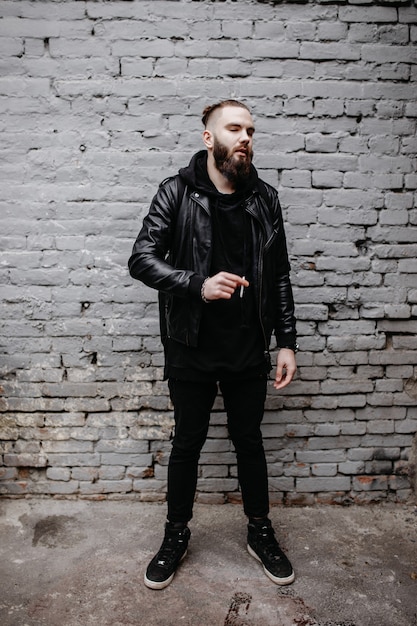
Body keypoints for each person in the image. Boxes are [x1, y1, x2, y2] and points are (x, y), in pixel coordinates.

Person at [128, 99, 298, 590]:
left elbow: (280, 275)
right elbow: (141, 259)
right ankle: (175, 536)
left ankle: (260, 532)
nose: (245, 137)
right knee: (188, 444)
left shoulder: (264, 197)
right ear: (209, 137)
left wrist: (285, 340)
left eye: (250, 130)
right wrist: (196, 283)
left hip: (248, 344)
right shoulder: (176, 192)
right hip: (191, 343)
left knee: (249, 443)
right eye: (234, 128)